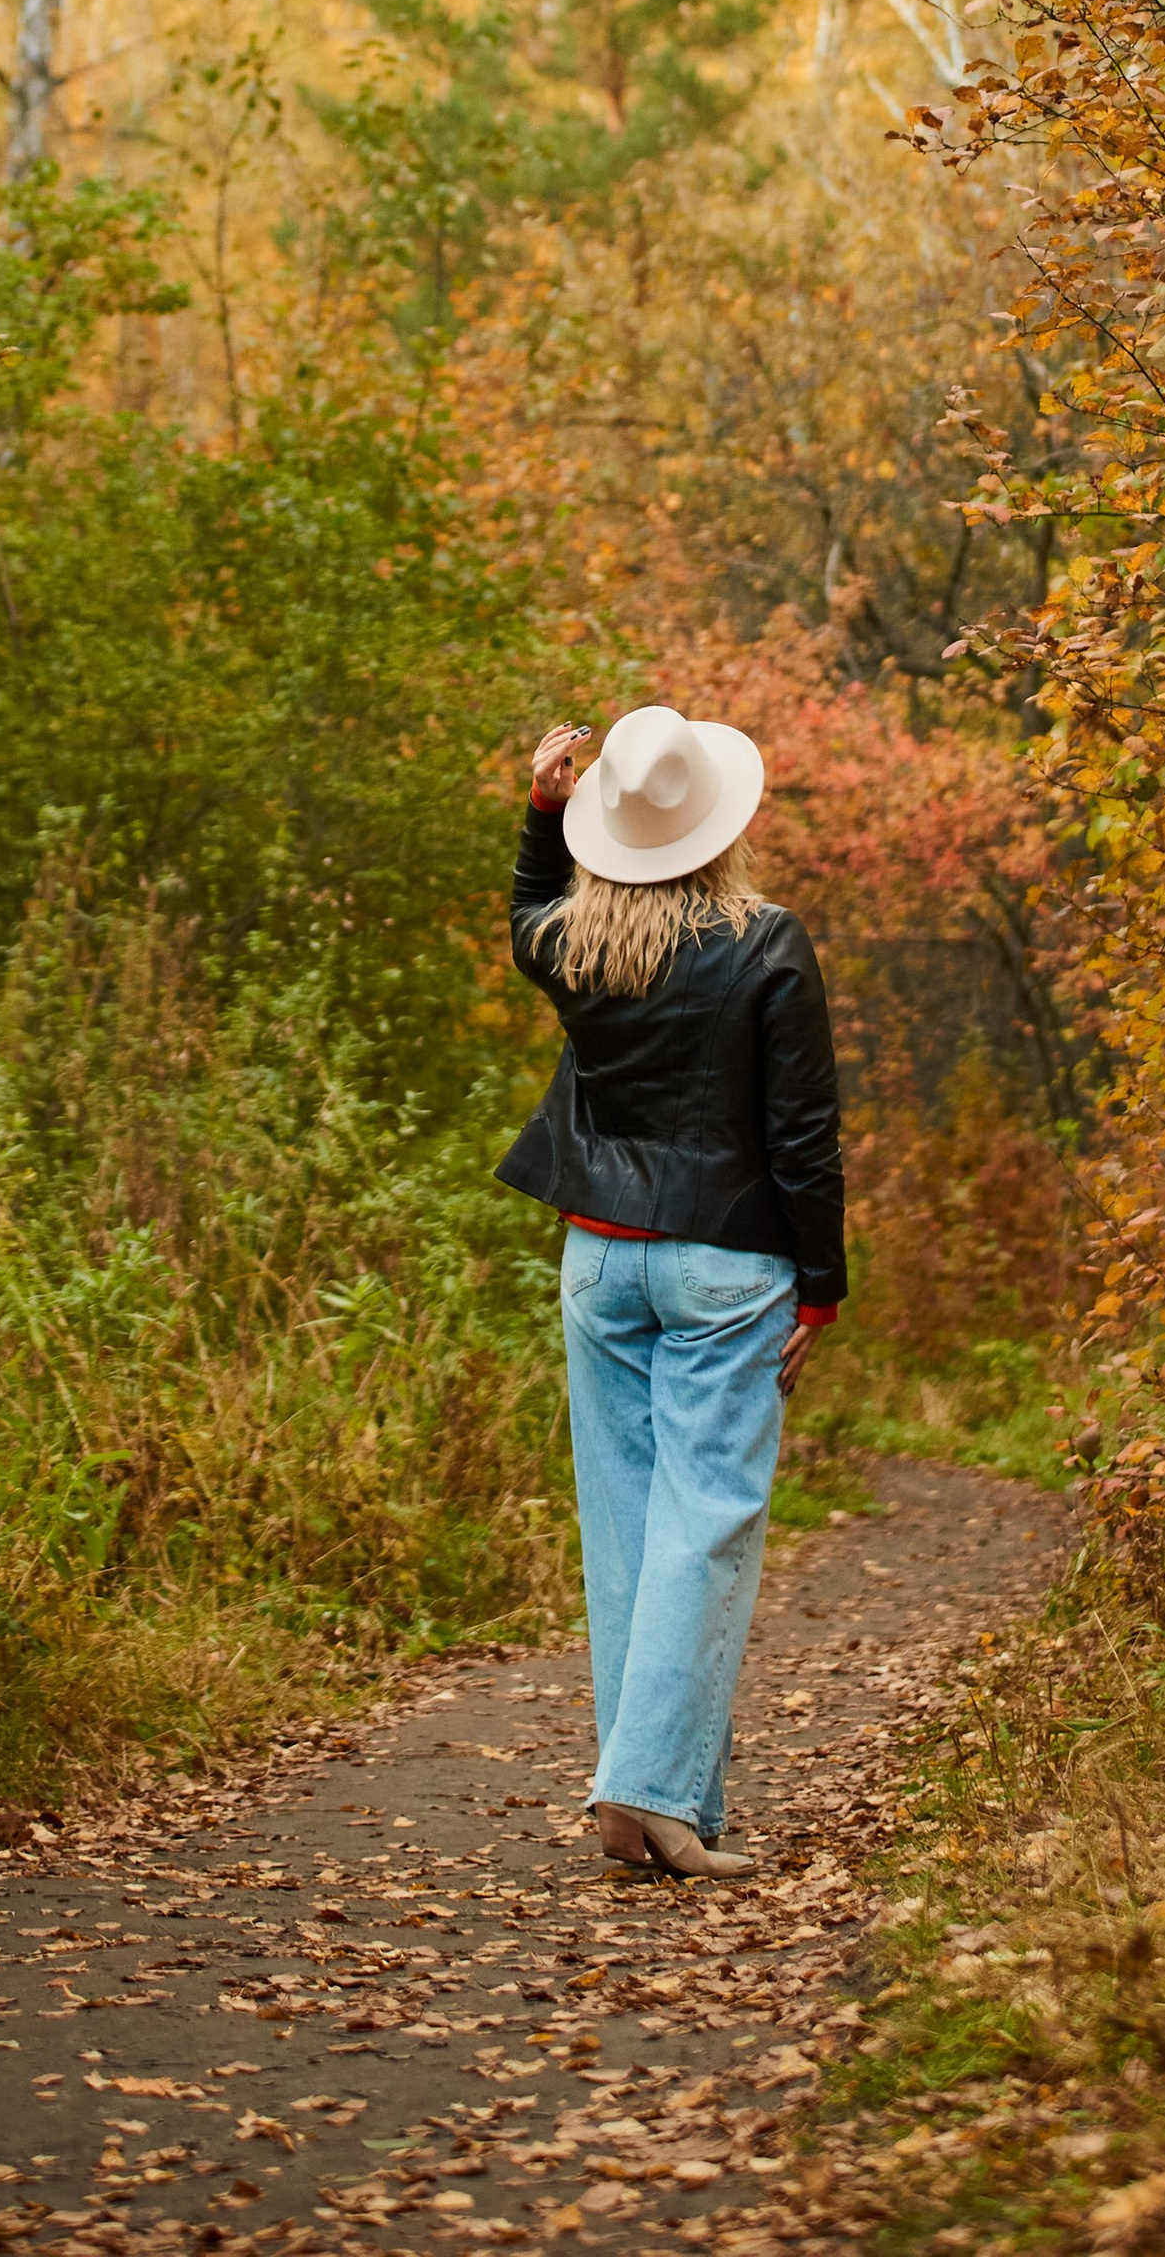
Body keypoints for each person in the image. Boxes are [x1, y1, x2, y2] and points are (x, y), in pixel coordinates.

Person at [497, 702, 847, 1882]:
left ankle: (669, 1805)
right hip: (727, 1265)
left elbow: (522, 917)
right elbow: (802, 1135)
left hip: (599, 1259)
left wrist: (542, 815)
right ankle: (638, 1792)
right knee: (703, 1527)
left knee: (632, 1530)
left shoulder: (576, 948)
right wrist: (821, 1290)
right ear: (716, 826)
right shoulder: (767, 943)